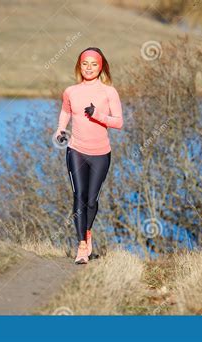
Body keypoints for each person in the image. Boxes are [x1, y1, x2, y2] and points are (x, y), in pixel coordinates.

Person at [54, 47, 123, 264]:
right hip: (76, 150)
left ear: (100, 66)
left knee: (92, 201)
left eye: (94, 64)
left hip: (101, 154)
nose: (89, 68)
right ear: (79, 66)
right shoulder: (71, 91)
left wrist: (98, 115)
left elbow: (119, 122)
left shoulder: (109, 92)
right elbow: (66, 111)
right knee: (79, 196)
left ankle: (88, 231)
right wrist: (60, 129)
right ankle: (82, 245)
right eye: (85, 64)